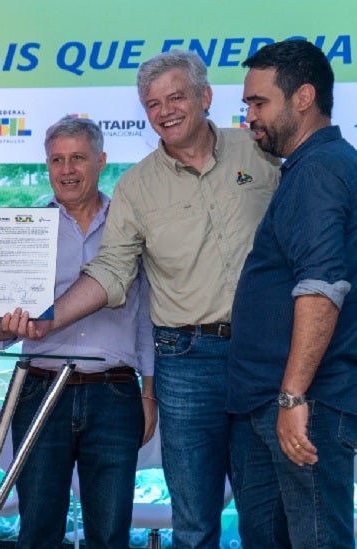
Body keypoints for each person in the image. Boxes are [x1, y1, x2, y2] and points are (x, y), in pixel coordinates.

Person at [0, 50, 282, 548]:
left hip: (263, 354)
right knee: (194, 520)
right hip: (187, 361)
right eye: (152, 103)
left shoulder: (259, 154)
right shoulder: (136, 187)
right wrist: (43, 321)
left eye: (176, 97)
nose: (165, 110)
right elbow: (112, 272)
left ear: (205, 97)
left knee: (266, 514)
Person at [0, 116, 156, 548]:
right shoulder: (23, 232)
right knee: (38, 532)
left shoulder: (130, 228)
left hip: (115, 393)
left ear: (102, 160)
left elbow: (146, 317)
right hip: (38, 391)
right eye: (57, 160)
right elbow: (5, 329)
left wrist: (149, 392)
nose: (67, 170)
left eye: (78, 158)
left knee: (110, 535)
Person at [228, 39, 357, 548]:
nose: (250, 117)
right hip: (276, 401)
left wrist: (292, 395)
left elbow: (322, 288)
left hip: (307, 406)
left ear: (303, 98)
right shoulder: (310, 167)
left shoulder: (321, 171)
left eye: (259, 103)